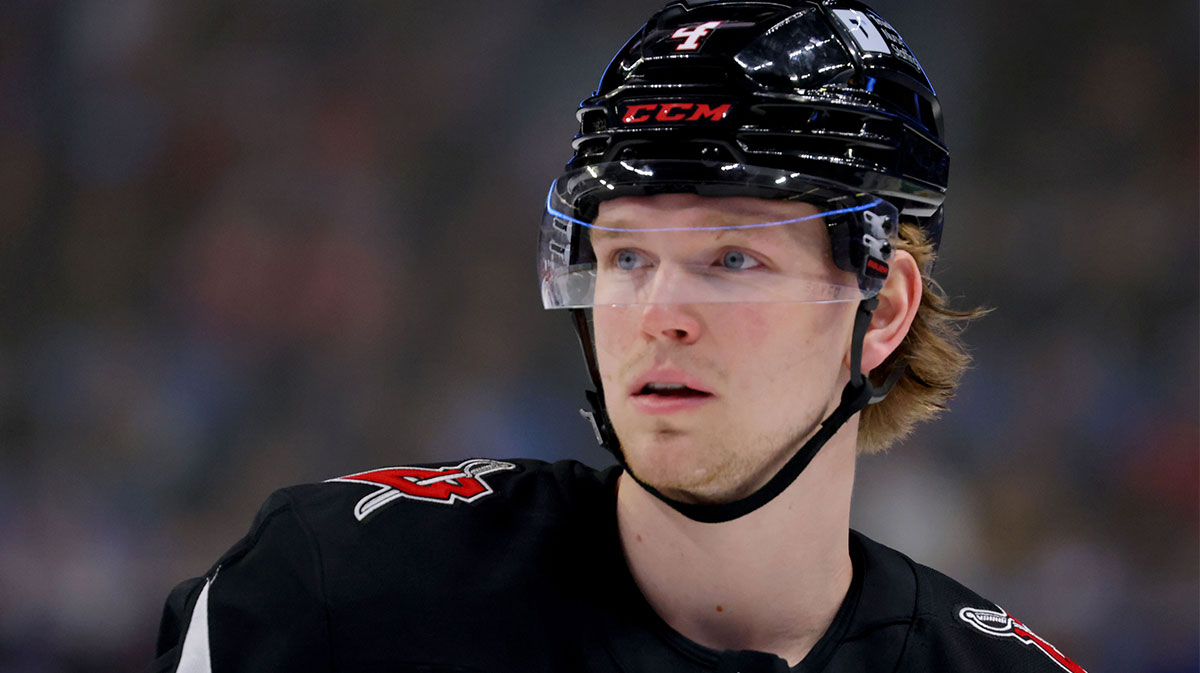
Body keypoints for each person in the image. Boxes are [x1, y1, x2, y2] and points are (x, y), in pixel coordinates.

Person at [151, 1, 1088, 671]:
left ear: (880, 309)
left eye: (732, 258)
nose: (656, 313)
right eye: (629, 256)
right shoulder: (337, 593)